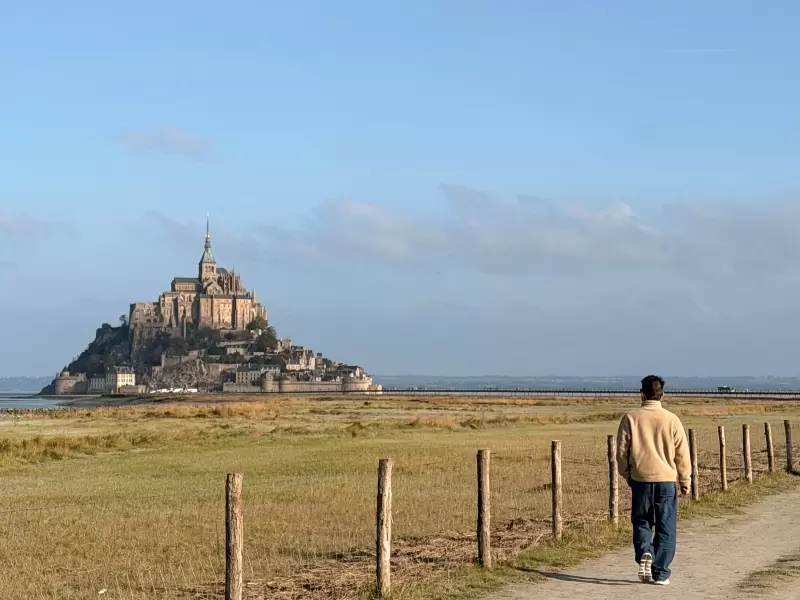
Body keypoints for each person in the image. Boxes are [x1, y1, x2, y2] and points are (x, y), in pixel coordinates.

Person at [616, 374, 691, 586]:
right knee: (666, 526)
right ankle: (661, 572)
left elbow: (621, 452)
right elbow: (682, 454)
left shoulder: (630, 418)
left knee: (642, 521)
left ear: (642, 394)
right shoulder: (672, 419)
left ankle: (644, 553)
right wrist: (686, 479)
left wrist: (626, 473)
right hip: (667, 480)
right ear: (662, 395)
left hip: (640, 479)